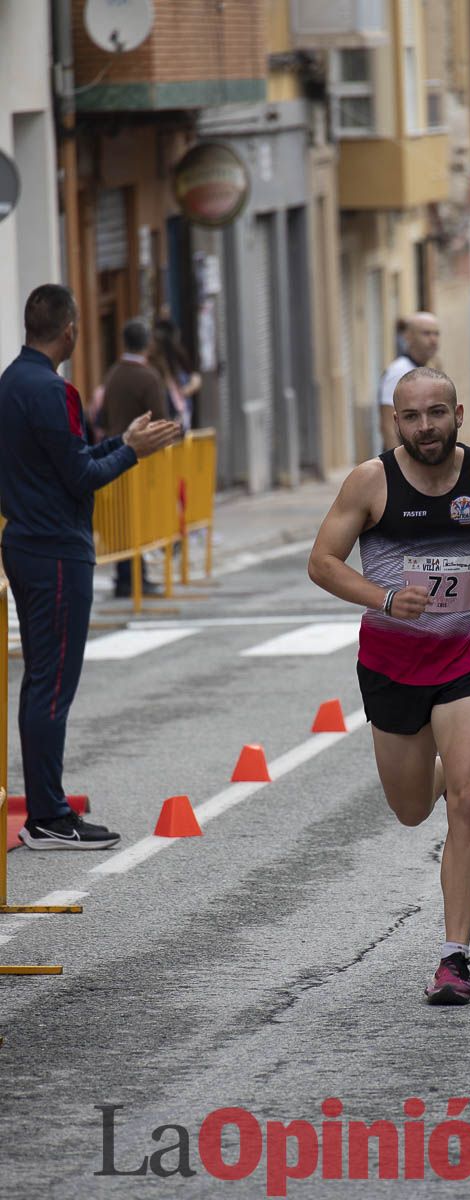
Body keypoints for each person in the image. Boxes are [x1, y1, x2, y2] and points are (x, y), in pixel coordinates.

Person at [308, 366, 470, 1005]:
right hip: (393, 668)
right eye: (411, 416)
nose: (425, 427)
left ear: (458, 415)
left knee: (469, 797)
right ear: (395, 421)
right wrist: (382, 597)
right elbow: (322, 561)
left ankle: (453, 957)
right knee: (412, 809)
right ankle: (436, 767)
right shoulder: (370, 482)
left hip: (469, 659)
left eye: (437, 413)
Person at [0, 284, 181, 849]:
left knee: (42, 682)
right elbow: (79, 478)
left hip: (27, 540)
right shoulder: (55, 392)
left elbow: (67, 464)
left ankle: (47, 808)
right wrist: (133, 452)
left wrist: (121, 443)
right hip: (55, 549)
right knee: (52, 685)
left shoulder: (10, 383)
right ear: (71, 331)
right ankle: (49, 816)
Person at [100, 317, 168, 598]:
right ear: (147, 345)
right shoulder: (148, 377)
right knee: (138, 519)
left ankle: (124, 575)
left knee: (121, 521)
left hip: (115, 453)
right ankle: (136, 578)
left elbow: (102, 417)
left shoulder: (112, 374)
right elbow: (160, 419)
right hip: (140, 459)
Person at [378, 311, 440, 452]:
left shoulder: (428, 367)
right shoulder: (398, 371)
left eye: (436, 334)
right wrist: (397, 467)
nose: (433, 339)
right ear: (408, 337)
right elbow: (388, 426)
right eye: (426, 333)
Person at [150, 318, 201, 433]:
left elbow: (196, 378)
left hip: (181, 415)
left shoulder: (178, 358)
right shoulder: (154, 366)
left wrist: (186, 390)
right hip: (171, 418)